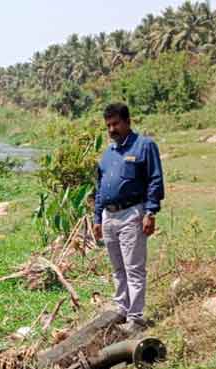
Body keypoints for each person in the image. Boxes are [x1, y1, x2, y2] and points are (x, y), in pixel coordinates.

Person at [93, 103, 165, 334]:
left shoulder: (144, 146)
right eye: (108, 125)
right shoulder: (108, 154)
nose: (111, 129)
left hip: (132, 213)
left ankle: (135, 318)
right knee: (117, 269)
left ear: (127, 122)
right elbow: (100, 188)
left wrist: (150, 212)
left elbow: (155, 180)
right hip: (109, 216)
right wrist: (97, 218)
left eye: (115, 124)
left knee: (134, 268)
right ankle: (121, 310)